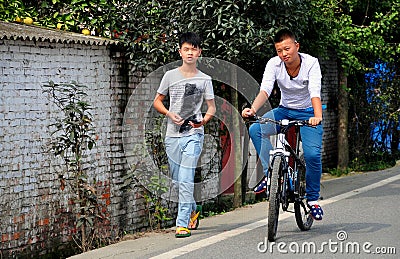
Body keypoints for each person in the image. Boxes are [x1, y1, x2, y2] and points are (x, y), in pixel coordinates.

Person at [241, 28, 324, 220]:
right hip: (284, 110)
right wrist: (252, 110)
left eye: (287, 49)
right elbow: (265, 90)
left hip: (309, 112)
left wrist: (317, 116)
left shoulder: (311, 63)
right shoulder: (274, 64)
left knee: (312, 154)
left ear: (296, 46)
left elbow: (315, 92)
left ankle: (312, 200)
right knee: (256, 129)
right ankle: (272, 173)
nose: (284, 54)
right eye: (279, 50)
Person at [153, 32, 216, 237]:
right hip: (172, 134)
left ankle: (181, 224)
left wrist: (203, 122)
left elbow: (212, 107)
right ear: (180, 52)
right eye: (186, 49)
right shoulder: (170, 76)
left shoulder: (205, 79)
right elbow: (157, 101)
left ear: (199, 52)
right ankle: (193, 209)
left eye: (194, 49)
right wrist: (169, 113)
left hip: (193, 134)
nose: (190, 52)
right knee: (178, 180)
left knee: (186, 177)